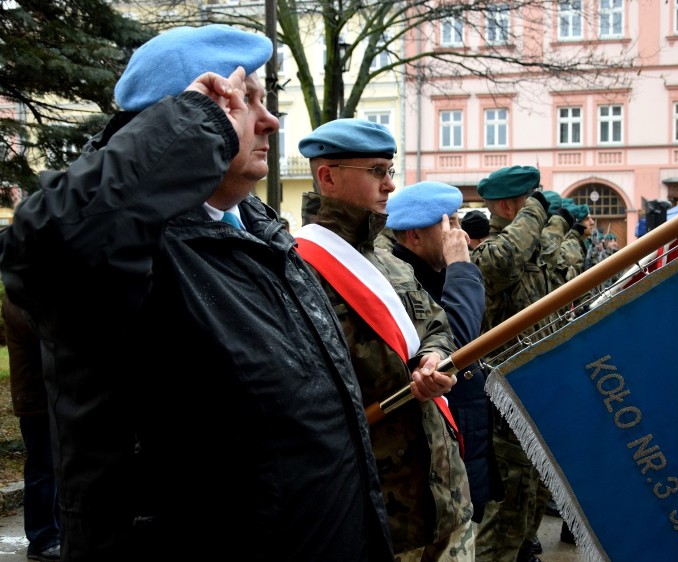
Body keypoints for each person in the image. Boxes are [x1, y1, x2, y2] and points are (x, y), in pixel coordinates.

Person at [0, 25, 393, 562]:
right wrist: (195, 121)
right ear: (185, 120)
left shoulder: (256, 230)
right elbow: (53, 242)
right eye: (245, 100)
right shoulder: (129, 256)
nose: (270, 120)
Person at [296, 119, 474, 561]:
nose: (391, 184)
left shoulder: (389, 262)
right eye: (377, 171)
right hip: (379, 509)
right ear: (328, 177)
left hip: (447, 496)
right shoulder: (297, 266)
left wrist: (433, 359)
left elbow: (436, 326)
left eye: (390, 169)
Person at [385, 181, 504, 527]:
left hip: (463, 445)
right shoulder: (405, 282)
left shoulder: (436, 274)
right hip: (432, 463)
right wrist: (462, 269)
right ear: (415, 237)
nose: (460, 236)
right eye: (449, 224)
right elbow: (459, 342)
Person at [469, 166, 569, 562]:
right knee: (507, 511)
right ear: (511, 206)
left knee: (529, 496)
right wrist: (533, 213)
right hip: (504, 402)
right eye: (532, 203)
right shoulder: (488, 253)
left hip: (536, 394)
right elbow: (504, 259)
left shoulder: (532, 251)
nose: (539, 212)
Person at [2, 294, 61, 562]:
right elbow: (43, 332)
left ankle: (57, 532)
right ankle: (42, 538)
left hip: (54, 395)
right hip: (36, 397)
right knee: (43, 467)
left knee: (57, 466)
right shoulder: (19, 296)